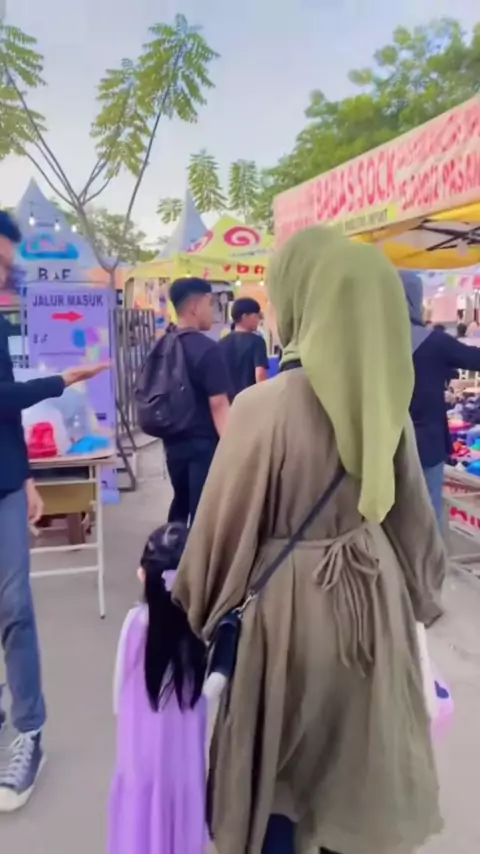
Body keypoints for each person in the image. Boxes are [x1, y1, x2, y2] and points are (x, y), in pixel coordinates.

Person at [173, 227, 447, 854]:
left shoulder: (262, 407)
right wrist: (418, 601)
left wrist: (196, 607)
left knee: (280, 780)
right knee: (357, 770)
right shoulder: (386, 405)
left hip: (286, 619)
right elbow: (414, 522)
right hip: (373, 605)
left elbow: (222, 533)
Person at [0, 210, 110, 811]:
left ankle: (30, 731)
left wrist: (24, 478)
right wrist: (62, 379)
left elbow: (5, 408)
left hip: (4, 486)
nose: (4, 274)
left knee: (14, 607)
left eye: (7, 264)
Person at [108, 523, 207, 854]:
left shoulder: (134, 627)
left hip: (141, 761)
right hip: (184, 766)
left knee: (141, 822)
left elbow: (118, 696)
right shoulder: (200, 634)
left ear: (143, 576)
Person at [400, 270, 480, 528]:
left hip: (386, 445)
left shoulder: (373, 344)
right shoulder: (434, 342)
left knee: (394, 518)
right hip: (427, 444)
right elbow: (475, 359)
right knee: (428, 517)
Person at [164, 277, 230, 525]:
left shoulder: (164, 344)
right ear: (194, 306)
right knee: (205, 514)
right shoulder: (208, 349)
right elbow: (219, 405)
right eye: (210, 303)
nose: (212, 311)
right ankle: (195, 550)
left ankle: (169, 547)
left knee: (181, 505)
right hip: (203, 444)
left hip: (172, 442)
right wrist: (233, 448)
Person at [218, 297, 269, 397]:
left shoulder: (221, 343)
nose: (258, 320)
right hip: (249, 399)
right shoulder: (257, 341)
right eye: (256, 316)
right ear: (244, 317)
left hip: (228, 401)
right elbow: (260, 374)